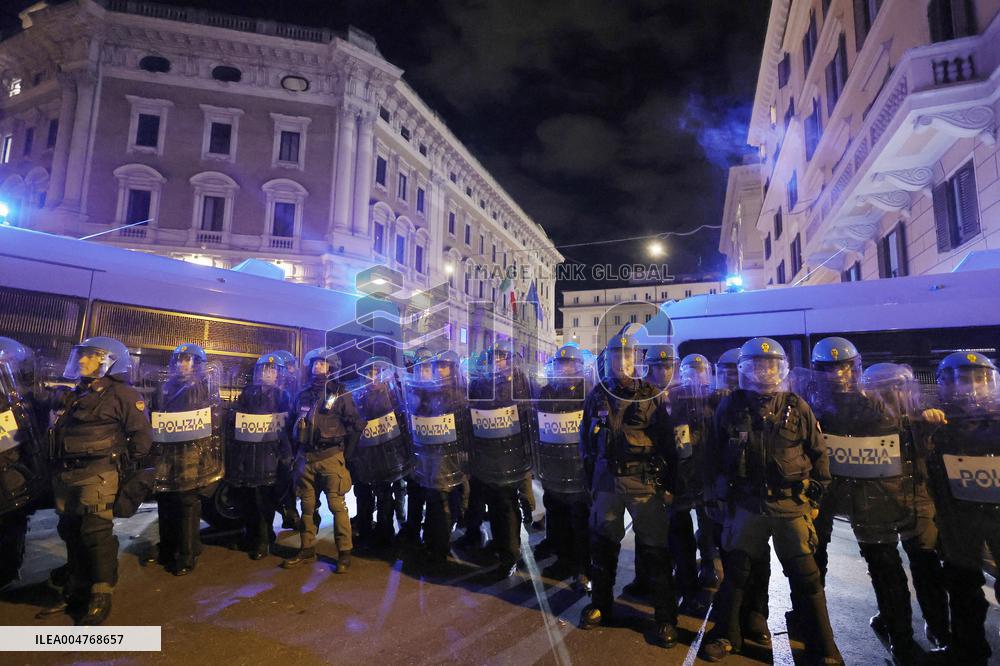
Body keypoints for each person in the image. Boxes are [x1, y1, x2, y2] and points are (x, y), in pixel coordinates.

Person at [701, 337, 842, 664]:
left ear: (781, 368)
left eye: (771, 365)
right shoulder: (731, 405)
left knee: (806, 576)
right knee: (736, 573)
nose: (764, 371)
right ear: (744, 370)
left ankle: (823, 648)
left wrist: (817, 493)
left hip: (790, 505)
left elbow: (819, 453)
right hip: (747, 504)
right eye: (757, 365)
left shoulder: (797, 405)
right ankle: (726, 635)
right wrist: (715, 495)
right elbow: (713, 454)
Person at [807, 340, 949, 662]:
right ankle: (900, 636)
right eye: (830, 369)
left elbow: (916, 442)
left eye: (843, 367)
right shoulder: (821, 407)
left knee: (920, 566)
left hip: (905, 499)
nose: (838, 374)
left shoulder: (890, 406)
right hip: (863, 502)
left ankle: (934, 631)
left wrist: (926, 424)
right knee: (886, 570)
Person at [579, 332, 679, 648]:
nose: (619, 363)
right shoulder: (597, 395)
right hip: (606, 480)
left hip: (644, 482)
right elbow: (585, 441)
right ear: (606, 360)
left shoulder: (652, 395)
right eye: (613, 357)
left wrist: (670, 487)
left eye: (625, 357)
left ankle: (665, 618)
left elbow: (669, 444)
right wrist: (590, 483)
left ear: (635, 360)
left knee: (655, 550)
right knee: (602, 546)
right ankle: (601, 605)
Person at [46, 337, 153, 625]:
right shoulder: (77, 394)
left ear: (109, 361)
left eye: (90, 356)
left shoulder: (124, 395)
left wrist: (120, 467)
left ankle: (101, 593)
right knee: (70, 529)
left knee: (95, 532)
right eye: (80, 356)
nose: (82, 361)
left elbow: (142, 440)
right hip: (68, 474)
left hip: (99, 472)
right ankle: (75, 589)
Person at [922, 352, 1000, 665]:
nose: (972, 387)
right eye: (963, 379)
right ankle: (969, 650)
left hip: (995, 511)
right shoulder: (938, 419)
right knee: (963, 584)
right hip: (958, 516)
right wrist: (926, 428)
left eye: (978, 379)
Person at [144, 343, 223, 576]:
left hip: (191, 452)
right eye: (179, 360)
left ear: (197, 364)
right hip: (166, 452)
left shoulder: (203, 388)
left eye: (188, 360)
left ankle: (187, 553)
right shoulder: (164, 388)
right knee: (165, 499)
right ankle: (167, 547)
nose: (182, 364)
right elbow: (154, 415)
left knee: (187, 501)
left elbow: (212, 421)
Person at [282, 349, 362, 571]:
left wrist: (346, 455)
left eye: (323, 363)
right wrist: (293, 453)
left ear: (331, 368)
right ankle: (307, 549)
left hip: (331, 457)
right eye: (315, 363)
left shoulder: (341, 394)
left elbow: (356, 425)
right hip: (305, 457)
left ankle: (344, 552)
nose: (318, 366)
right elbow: (291, 425)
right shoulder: (303, 394)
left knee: (337, 506)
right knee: (307, 507)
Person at [467, 342, 534, 579]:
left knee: (506, 504)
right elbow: (471, 413)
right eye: (493, 358)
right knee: (494, 504)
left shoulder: (519, 383)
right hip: (487, 454)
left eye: (501, 358)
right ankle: (499, 545)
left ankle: (510, 555)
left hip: (510, 454)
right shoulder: (480, 384)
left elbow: (528, 416)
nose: (497, 362)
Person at [402, 349, 469, 569]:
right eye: (436, 366)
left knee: (440, 502)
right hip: (428, 456)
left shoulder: (457, 395)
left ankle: (438, 550)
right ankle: (431, 543)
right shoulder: (428, 392)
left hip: (446, 459)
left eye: (443, 366)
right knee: (433, 501)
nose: (438, 370)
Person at [621, 342, 677, 599]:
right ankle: (645, 580)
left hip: (674, 470)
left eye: (667, 366)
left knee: (675, 532)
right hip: (647, 473)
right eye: (657, 366)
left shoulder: (682, 392)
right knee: (647, 533)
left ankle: (676, 579)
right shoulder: (640, 393)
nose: (663, 371)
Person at [532, 344, 590, 591]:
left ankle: (583, 568)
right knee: (557, 515)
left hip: (578, 469)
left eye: (569, 364)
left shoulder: (588, 393)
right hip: (554, 468)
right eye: (560, 364)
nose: (564, 369)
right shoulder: (547, 392)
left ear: (578, 367)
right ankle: (563, 561)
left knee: (580, 519)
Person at [225, 353, 293, 561]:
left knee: (265, 499)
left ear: (278, 375)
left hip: (270, 454)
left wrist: (285, 454)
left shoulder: (283, 396)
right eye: (264, 370)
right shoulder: (248, 393)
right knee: (249, 498)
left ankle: (263, 540)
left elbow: (287, 426)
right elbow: (237, 418)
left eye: (271, 371)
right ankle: (251, 535)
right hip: (248, 454)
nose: (267, 374)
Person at [668, 353, 720, 615]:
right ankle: (684, 571)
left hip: (707, 473)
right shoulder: (677, 398)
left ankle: (709, 563)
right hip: (683, 473)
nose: (695, 376)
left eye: (700, 372)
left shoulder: (714, 398)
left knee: (708, 523)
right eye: (690, 372)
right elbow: (676, 435)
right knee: (681, 527)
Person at [348, 356, 411, 551]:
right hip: (366, 456)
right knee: (364, 495)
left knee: (384, 496)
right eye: (370, 373)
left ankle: (385, 534)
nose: (373, 377)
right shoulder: (359, 397)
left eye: (377, 373)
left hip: (387, 456)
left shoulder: (394, 396)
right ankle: (365, 531)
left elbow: (402, 425)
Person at [0, 336, 46, 589]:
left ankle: (7, 571)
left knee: (10, 524)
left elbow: (22, 438)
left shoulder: (16, 400)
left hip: (10, 473)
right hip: (12, 471)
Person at [271, 350, 300, 530]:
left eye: (291, 366)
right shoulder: (276, 390)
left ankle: (290, 513)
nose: (291, 370)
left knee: (287, 479)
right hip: (272, 440)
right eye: (288, 366)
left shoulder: (293, 389)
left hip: (288, 441)